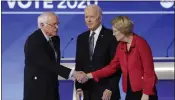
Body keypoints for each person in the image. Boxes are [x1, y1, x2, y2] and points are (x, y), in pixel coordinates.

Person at [77, 16, 158, 100]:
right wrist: (89, 75)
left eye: (115, 31)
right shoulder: (121, 46)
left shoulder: (141, 44)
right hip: (130, 91)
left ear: (123, 31)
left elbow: (149, 71)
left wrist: (146, 94)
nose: (113, 34)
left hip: (145, 91)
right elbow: (111, 68)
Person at [23, 12, 79, 100]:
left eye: (57, 24)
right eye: (54, 24)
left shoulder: (55, 39)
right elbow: (47, 63)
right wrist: (73, 73)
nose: (57, 27)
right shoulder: (33, 41)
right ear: (42, 25)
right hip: (37, 91)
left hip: (52, 88)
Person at [75, 4, 121, 100]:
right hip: (87, 91)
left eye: (92, 17)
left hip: (106, 92)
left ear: (100, 18)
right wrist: (78, 86)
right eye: (86, 17)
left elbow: (116, 66)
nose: (88, 20)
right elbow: (79, 65)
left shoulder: (112, 36)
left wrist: (110, 88)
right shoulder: (81, 38)